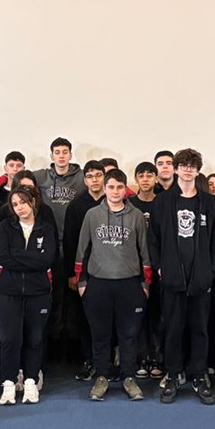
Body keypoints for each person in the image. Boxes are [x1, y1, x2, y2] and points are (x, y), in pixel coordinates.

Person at [148, 148, 215, 405]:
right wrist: (159, 266)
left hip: (201, 280)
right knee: (173, 328)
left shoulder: (208, 203)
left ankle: (199, 375)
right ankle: (173, 375)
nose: (188, 170)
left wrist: (212, 272)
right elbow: (153, 238)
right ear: (176, 169)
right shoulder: (163, 202)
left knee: (199, 329)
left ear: (198, 170)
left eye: (193, 166)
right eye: (184, 165)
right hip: (172, 278)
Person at [74, 169, 152, 401]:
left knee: (129, 335)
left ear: (125, 189)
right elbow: (82, 250)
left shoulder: (136, 215)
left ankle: (129, 377)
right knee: (100, 335)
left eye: (120, 187)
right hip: (98, 285)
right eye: (111, 187)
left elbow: (144, 251)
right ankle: (102, 377)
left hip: (130, 284)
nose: (115, 192)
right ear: (105, 189)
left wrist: (145, 284)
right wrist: (82, 282)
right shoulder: (92, 215)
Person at [0, 187, 57, 405]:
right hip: (8, 293)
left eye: (23, 202)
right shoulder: (5, 227)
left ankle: (31, 381)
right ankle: (9, 383)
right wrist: (32, 258)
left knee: (35, 338)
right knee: (9, 339)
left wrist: (18, 256)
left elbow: (47, 259)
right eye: (15, 204)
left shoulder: (46, 228)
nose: (19, 208)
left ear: (32, 202)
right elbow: (1, 257)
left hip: (38, 293)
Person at [63, 160, 106, 380]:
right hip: (85, 272)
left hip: (111, 271)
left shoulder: (115, 201)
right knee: (85, 318)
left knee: (108, 318)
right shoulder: (76, 206)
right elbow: (70, 241)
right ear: (85, 180)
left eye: (98, 175)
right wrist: (72, 273)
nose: (94, 180)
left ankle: (107, 362)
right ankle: (89, 360)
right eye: (90, 176)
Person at [129, 161, 161, 377]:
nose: (146, 179)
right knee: (137, 315)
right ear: (136, 179)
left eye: (150, 175)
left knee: (158, 315)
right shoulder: (129, 204)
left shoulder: (163, 203)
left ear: (156, 179)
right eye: (141, 175)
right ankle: (140, 358)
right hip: (134, 268)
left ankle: (157, 358)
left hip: (159, 268)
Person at [34, 137, 84, 240]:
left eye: (65, 152)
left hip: (74, 234)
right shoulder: (42, 176)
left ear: (70, 156)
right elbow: (19, 177)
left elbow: (104, 181)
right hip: (49, 234)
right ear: (52, 156)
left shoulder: (83, 177)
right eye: (57, 152)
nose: (61, 156)